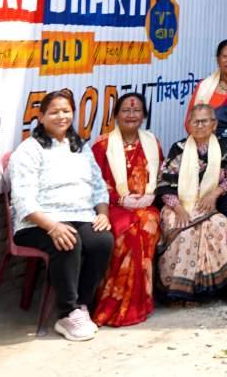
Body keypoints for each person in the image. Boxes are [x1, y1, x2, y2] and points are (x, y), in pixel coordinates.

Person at [9, 89, 113, 341]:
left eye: (66, 111)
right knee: (68, 240)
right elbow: (23, 201)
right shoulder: (29, 150)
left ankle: (81, 305)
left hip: (80, 214)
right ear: (41, 117)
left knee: (102, 240)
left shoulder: (80, 147)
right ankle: (67, 312)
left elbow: (98, 185)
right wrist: (53, 226)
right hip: (38, 221)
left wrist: (102, 213)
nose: (61, 116)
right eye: (54, 112)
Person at [90, 92, 162, 327]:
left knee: (147, 223)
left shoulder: (152, 142)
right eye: (126, 110)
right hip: (112, 206)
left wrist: (151, 195)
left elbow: (161, 176)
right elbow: (95, 183)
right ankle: (115, 302)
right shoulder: (102, 145)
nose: (131, 115)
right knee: (128, 233)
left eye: (136, 110)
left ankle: (141, 302)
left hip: (146, 205)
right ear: (116, 115)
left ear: (144, 115)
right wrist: (120, 199)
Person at [157, 103, 227, 302]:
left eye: (204, 121)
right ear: (189, 125)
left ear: (214, 124)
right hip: (178, 204)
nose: (200, 125)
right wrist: (178, 208)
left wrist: (215, 193)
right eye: (195, 122)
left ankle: (206, 288)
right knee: (183, 228)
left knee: (218, 224)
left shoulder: (225, 147)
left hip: (210, 206)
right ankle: (178, 289)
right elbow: (164, 183)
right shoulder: (179, 148)